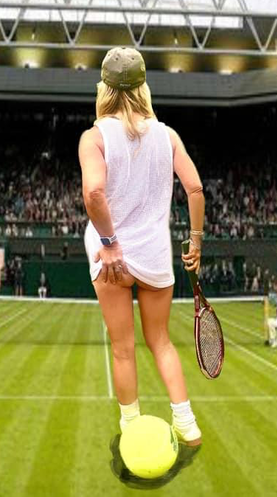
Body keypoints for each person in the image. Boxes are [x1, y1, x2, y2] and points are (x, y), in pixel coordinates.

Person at [79, 47, 205, 446]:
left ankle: (131, 429)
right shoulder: (168, 135)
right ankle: (186, 424)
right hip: (154, 256)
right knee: (161, 342)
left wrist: (111, 244)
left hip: (111, 261)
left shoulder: (94, 137)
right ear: (142, 87)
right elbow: (195, 189)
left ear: (104, 89)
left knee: (123, 349)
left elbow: (94, 192)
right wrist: (196, 241)